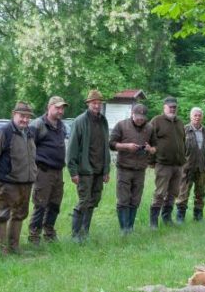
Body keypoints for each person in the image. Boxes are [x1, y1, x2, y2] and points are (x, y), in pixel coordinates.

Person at [0, 102, 38, 254]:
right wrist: (2, 174)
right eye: (22, 116)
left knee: (20, 215)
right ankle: (1, 251)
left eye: (28, 117)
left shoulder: (30, 132)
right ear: (14, 114)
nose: (25, 120)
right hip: (8, 183)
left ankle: (14, 247)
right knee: (2, 216)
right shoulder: (4, 132)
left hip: (26, 182)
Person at [66, 89, 110, 242]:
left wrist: (106, 170)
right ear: (88, 104)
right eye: (94, 103)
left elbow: (106, 147)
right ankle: (75, 234)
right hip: (85, 170)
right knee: (84, 201)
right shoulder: (79, 121)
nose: (97, 106)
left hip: (99, 170)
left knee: (93, 201)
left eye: (99, 103)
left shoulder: (103, 121)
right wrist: (73, 172)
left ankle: (85, 232)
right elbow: (71, 149)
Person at [28, 96, 69, 243]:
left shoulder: (62, 126)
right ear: (49, 107)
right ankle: (34, 236)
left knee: (54, 205)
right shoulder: (38, 124)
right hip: (43, 171)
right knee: (40, 204)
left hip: (58, 172)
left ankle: (49, 233)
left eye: (62, 108)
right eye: (57, 107)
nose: (60, 111)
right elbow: (29, 148)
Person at [109, 103, 154, 233]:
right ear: (132, 114)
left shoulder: (150, 128)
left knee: (135, 199)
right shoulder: (121, 125)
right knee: (123, 199)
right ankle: (124, 229)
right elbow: (111, 144)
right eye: (137, 116)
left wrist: (150, 149)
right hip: (124, 168)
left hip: (140, 170)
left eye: (143, 117)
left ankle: (130, 227)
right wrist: (126, 146)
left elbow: (155, 147)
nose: (140, 119)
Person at [147, 96, 186, 228]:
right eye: (170, 107)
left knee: (173, 193)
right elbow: (149, 142)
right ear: (164, 107)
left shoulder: (180, 123)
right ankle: (153, 222)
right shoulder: (156, 121)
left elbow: (183, 142)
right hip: (163, 164)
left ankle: (167, 218)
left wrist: (183, 160)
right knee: (160, 193)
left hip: (178, 165)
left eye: (174, 107)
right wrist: (152, 161)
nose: (172, 109)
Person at [177, 106, 205, 223]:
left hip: (202, 167)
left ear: (202, 117)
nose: (197, 117)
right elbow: (178, 149)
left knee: (200, 193)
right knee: (183, 193)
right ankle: (180, 217)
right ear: (190, 116)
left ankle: (198, 216)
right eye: (195, 115)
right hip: (187, 168)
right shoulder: (184, 130)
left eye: (199, 115)